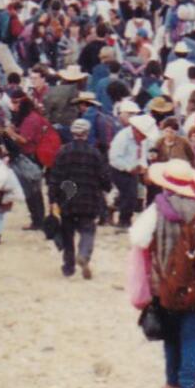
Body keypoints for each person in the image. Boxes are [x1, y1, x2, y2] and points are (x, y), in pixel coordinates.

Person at [134, 158, 195, 388]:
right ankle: (190, 387)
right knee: (193, 335)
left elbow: (138, 238)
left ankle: (172, 384)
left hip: (167, 283)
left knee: (171, 334)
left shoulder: (158, 209)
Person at [48, 117, 112, 279]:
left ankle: (68, 267)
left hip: (68, 199)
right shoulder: (95, 153)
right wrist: (107, 188)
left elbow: (55, 177)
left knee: (67, 234)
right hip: (89, 200)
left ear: (72, 133)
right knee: (88, 230)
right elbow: (105, 178)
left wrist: (52, 198)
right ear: (87, 134)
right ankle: (83, 254)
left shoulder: (63, 152)